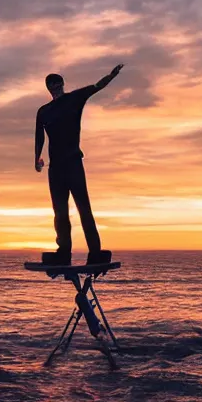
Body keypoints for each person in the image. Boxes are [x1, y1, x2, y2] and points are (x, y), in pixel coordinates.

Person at [34, 64, 124, 266]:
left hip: (73, 163)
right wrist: (37, 159)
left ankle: (95, 252)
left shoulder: (74, 99)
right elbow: (39, 137)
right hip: (55, 168)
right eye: (51, 85)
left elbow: (96, 87)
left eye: (57, 83)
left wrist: (111, 75)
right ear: (48, 88)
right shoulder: (44, 111)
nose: (54, 87)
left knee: (84, 208)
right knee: (60, 212)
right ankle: (63, 252)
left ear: (62, 84)